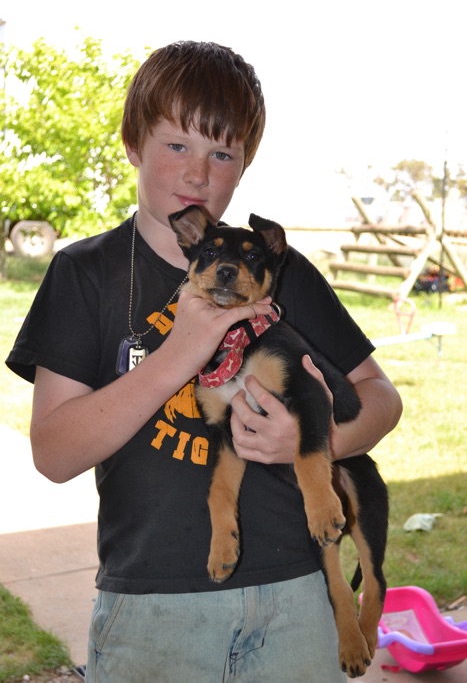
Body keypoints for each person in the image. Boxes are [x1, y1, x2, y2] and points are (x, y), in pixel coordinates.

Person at [6, 40, 402, 682]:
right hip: (151, 607)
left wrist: (314, 442)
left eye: (222, 153)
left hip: (297, 596)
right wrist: (178, 355)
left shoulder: (280, 273)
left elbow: (381, 397)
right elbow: (53, 454)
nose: (198, 173)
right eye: (176, 146)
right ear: (134, 144)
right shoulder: (85, 274)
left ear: (243, 165)